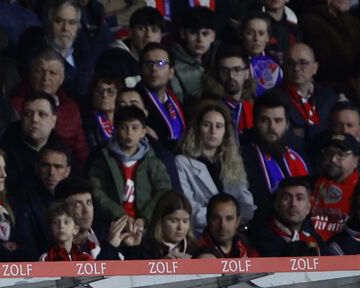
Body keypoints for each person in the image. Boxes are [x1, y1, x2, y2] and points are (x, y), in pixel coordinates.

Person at [175, 102, 255, 231]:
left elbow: (246, 203)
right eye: (207, 125)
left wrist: (235, 219)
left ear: (225, 132)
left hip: (234, 230)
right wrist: (226, 218)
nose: (213, 131)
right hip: (200, 231)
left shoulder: (232, 162)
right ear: (197, 128)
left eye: (218, 126)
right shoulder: (182, 162)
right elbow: (190, 211)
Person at [88, 105, 172, 228]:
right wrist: (120, 215)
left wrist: (144, 218)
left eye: (134, 128)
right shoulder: (103, 160)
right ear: (115, 130)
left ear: (143, 132)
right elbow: (96, 191)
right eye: (123, 128)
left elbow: (164, 191)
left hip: (146, 225)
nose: (129, 133)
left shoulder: (154, 162)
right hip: (112, 224)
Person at [250, 177, 326, 258]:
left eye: (299, 198)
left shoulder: (314, 238)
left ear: (308, 207)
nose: (293, 204)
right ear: (276, 205)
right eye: (286, 198)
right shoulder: (262, 239)